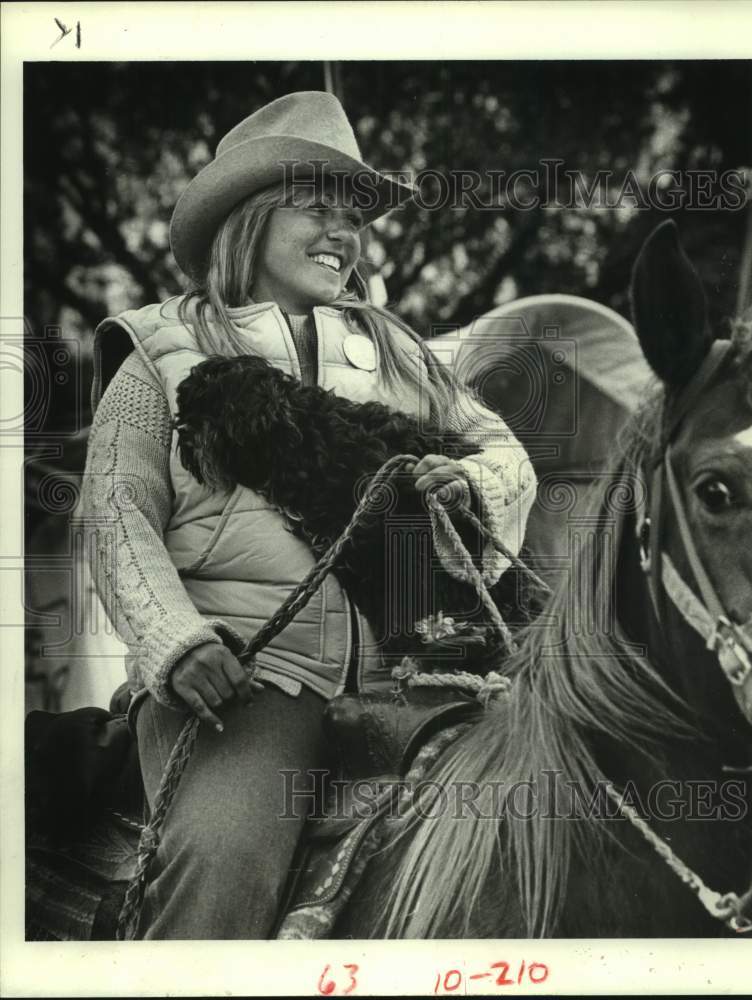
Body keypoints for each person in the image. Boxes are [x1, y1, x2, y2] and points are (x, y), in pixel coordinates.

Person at [76, 91, 536, 939]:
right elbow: (115, 515)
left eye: (353, 215)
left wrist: (473, 485)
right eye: (317, 207)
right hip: (245, 690)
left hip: (413, 680)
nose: (343, 232)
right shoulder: (156, 352)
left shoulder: (396, 349)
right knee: (223, 857)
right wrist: (177, 643)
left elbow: (506, 453)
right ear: (248, 220)